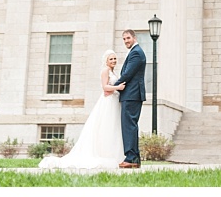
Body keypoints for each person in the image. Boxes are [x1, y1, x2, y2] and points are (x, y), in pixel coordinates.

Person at [38, 50, 124, 170]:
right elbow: (105, 87)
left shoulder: (113, 72)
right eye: (111, 59)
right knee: (105, 126)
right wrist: (118, 87)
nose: (114, 61)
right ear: (106, 61)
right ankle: (104, 154)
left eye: (115, 58)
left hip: (114, 101)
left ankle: (114, 153)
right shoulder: (105, 71)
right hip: (108, 102)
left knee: (112, 127)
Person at [112, 28, 146, 169]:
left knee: (129, 126)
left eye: (128, 38)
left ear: (134, 37)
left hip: (131, 95)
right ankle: (135, 158)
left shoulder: (136, 53)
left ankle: (131, 157)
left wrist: (112, 87)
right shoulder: (134, 52)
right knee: (131, 126)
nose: (126, 41)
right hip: (132, 94)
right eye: (124, 39)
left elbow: (127, 74)